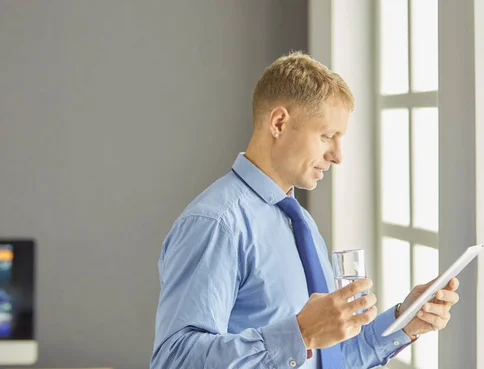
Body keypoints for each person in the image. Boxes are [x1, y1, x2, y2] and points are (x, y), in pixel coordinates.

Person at [150, 51, 459, 369]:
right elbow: (175, 360)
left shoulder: (299, 222)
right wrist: (300, 333)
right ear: (279, 123)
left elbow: (329, 359)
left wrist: (404, 322)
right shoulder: (217, 224)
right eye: (327, 136)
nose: (337, 156)